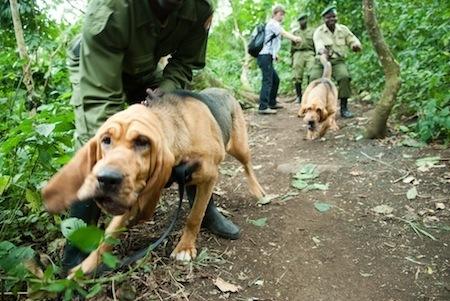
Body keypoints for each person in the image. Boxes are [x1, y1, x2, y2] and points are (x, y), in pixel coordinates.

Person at [63, 0, 240, 271]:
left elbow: (184, 63)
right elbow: (100, 102)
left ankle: (204, 211)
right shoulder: (111, 10)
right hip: (97, 64)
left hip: (144, 70)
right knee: (97, 146)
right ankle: (76, 256)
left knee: (177, 135)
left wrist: (161, 99)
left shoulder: (200, 7)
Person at [309, 6, 362, 118]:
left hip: (338, 61)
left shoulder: (343, 29)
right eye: (329, 17)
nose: (332, 19)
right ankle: (312, 107)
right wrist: (322, 53)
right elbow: (319, 46)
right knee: (314, 79)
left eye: (334, 16)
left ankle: (344, 108)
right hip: (322, 62)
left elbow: (352, 39)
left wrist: (355, 45)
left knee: (344, 77)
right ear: (324, 19)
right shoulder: (319, 32)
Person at [257, 5, 302, 114]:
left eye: (283, 15)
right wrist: (295, 38)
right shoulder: (273, 23)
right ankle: (263, 107)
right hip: (264, 56)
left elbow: (271, 40)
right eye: (280, 14)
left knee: (275, 80)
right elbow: (283, 33)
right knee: (267, 81)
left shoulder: (273, 24)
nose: (282, 17)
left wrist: (274, 54)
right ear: (274, 14)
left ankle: (272, 102)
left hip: (267, 55)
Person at [290, 13, 316, 104]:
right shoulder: (295, 32)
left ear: (306, 20)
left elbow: (316, 44)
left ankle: (309, 94)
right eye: (300, 20)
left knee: (312, 73)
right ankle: (299, 96)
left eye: (304, 19)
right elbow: (292, 47)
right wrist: (292, 58)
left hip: (309, 52)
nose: (302, 22)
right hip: (298, 53)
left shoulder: (312, 31)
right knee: (297, 75)